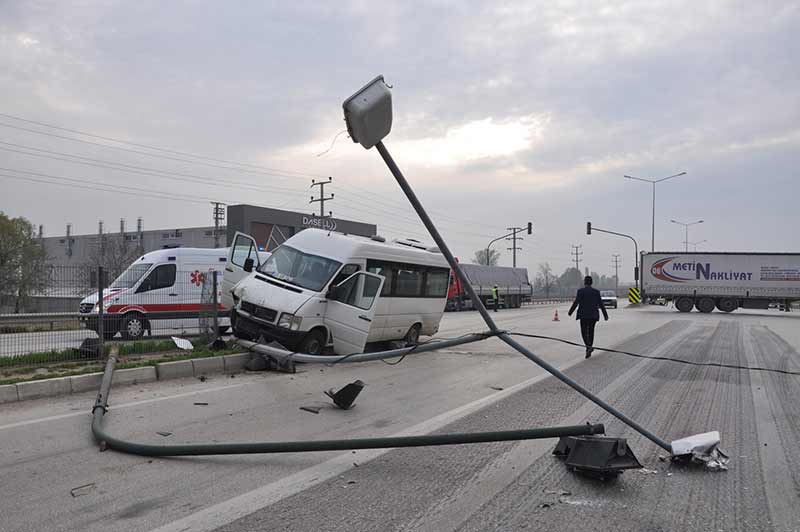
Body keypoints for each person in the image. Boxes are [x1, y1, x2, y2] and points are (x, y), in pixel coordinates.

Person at [567, 276, 609, 358]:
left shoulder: (580, 291)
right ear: (591, 282)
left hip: (583, 315)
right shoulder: (596, 292)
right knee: (591, 331)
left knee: (584, 332)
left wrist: (570, 312)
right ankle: (589, 348)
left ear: (584, 282)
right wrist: (605, 315)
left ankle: (588, 346)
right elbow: (601, 304)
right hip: (593, 315)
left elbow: (576, 302)